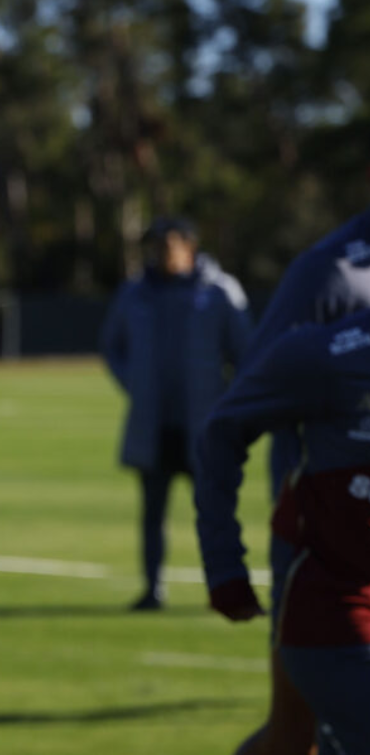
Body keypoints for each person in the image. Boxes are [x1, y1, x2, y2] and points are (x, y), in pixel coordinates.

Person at [194, 206, 370, 755]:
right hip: (323, 557)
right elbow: (233, 417)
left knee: (291, 736)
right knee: (296, 734)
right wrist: (225, 561)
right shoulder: (330, 279)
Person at [100, 216, 253, 610]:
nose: (161, 253)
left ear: (189, 246)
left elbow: (246, 354)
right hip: (153, 424)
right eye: (155, 246)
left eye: (168, 244)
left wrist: (226, 401)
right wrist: (134, 383)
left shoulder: (219, 292)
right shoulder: (135, 293)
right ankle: (152, 589)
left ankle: (221, 588)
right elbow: (112, 346)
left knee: (213, 512)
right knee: (153, 514)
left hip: (203, 425)